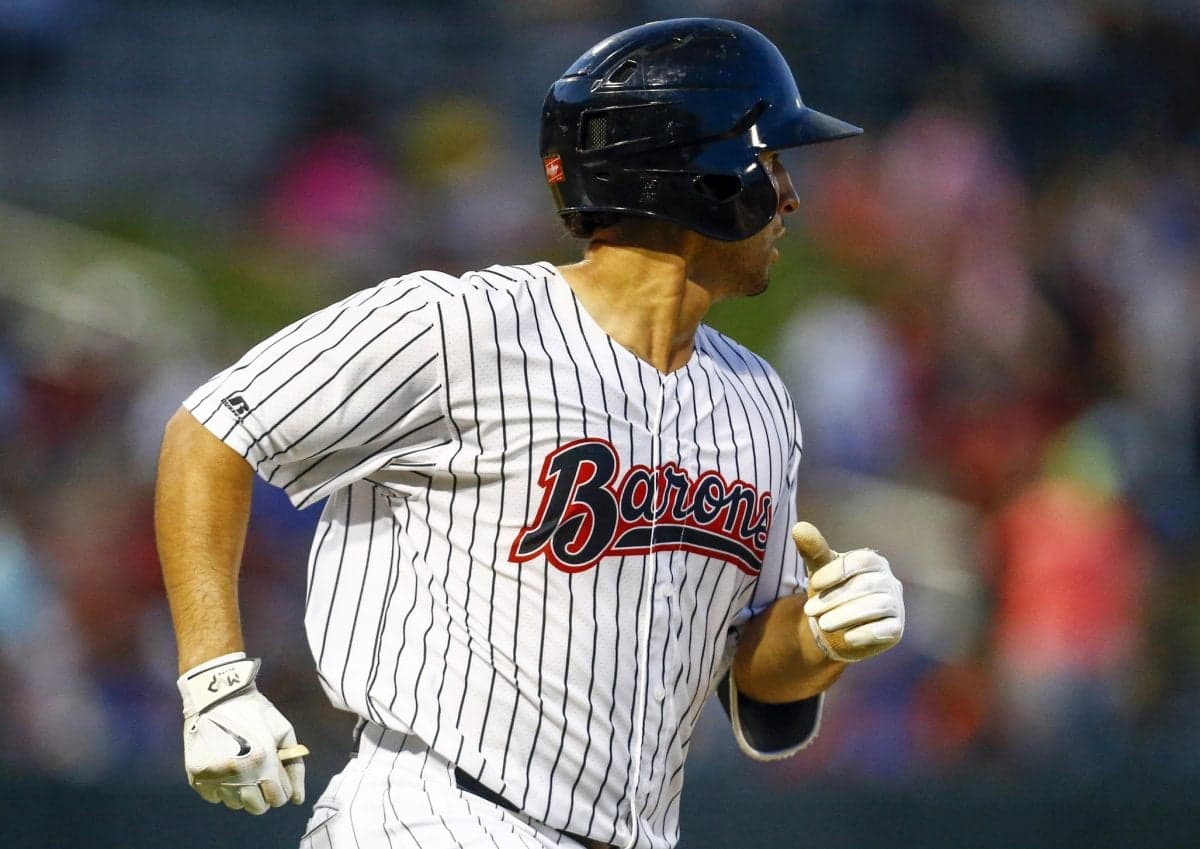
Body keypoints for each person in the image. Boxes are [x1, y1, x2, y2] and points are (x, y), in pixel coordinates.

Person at [155, 18, 905, 849]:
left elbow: (747, 669)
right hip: (436, 810)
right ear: (701, 175)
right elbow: (213, 430)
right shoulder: (465, 326)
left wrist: (819, 635)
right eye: (770, 161)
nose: (790, 195)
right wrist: (215, 681)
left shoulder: (759, 402)